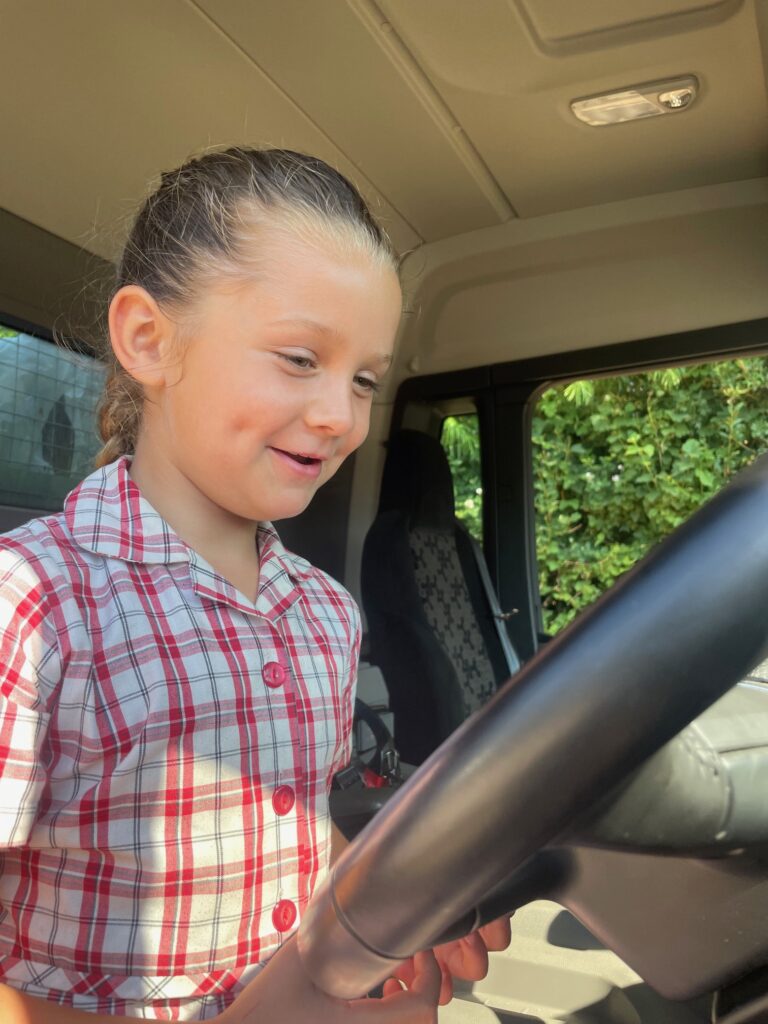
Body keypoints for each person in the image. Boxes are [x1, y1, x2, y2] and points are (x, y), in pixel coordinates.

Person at [0, 147, 509, 1022]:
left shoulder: (322, 613)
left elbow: (294, 828)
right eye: (300, 358)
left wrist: (389, 912)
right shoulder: (35, 601)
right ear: (151, 341)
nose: (339, 416)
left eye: (362, 381)